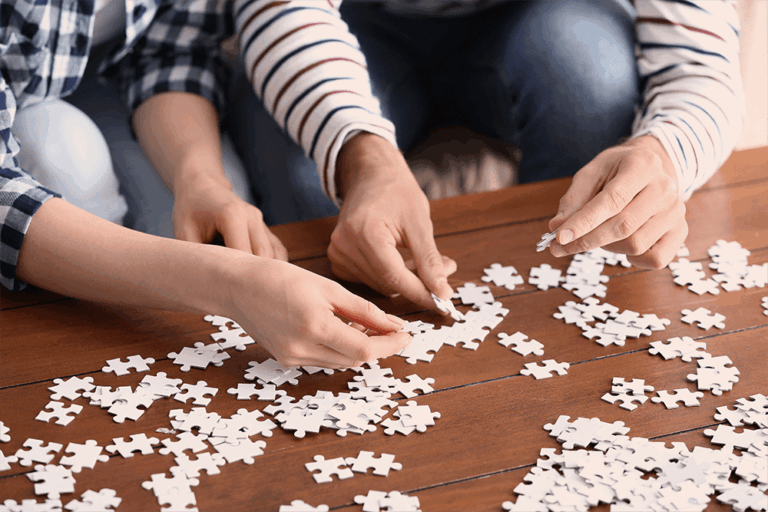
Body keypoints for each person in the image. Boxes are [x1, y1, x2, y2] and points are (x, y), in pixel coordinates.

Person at [224, 0, 743, 309]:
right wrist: (361, 156)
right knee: (299, 161)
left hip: (547, 25)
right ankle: (337, 326)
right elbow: (277, 9)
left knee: (588, 79)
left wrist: (665, 153)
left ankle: (563, 306)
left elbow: (700, 65)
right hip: (353, 24)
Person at [0, 0, 411, 368]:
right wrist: (229, 285)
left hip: (108, 75)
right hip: (26, 105)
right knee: (64, 157)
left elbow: (171, 51)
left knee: (216, 219)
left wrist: (202, 180)